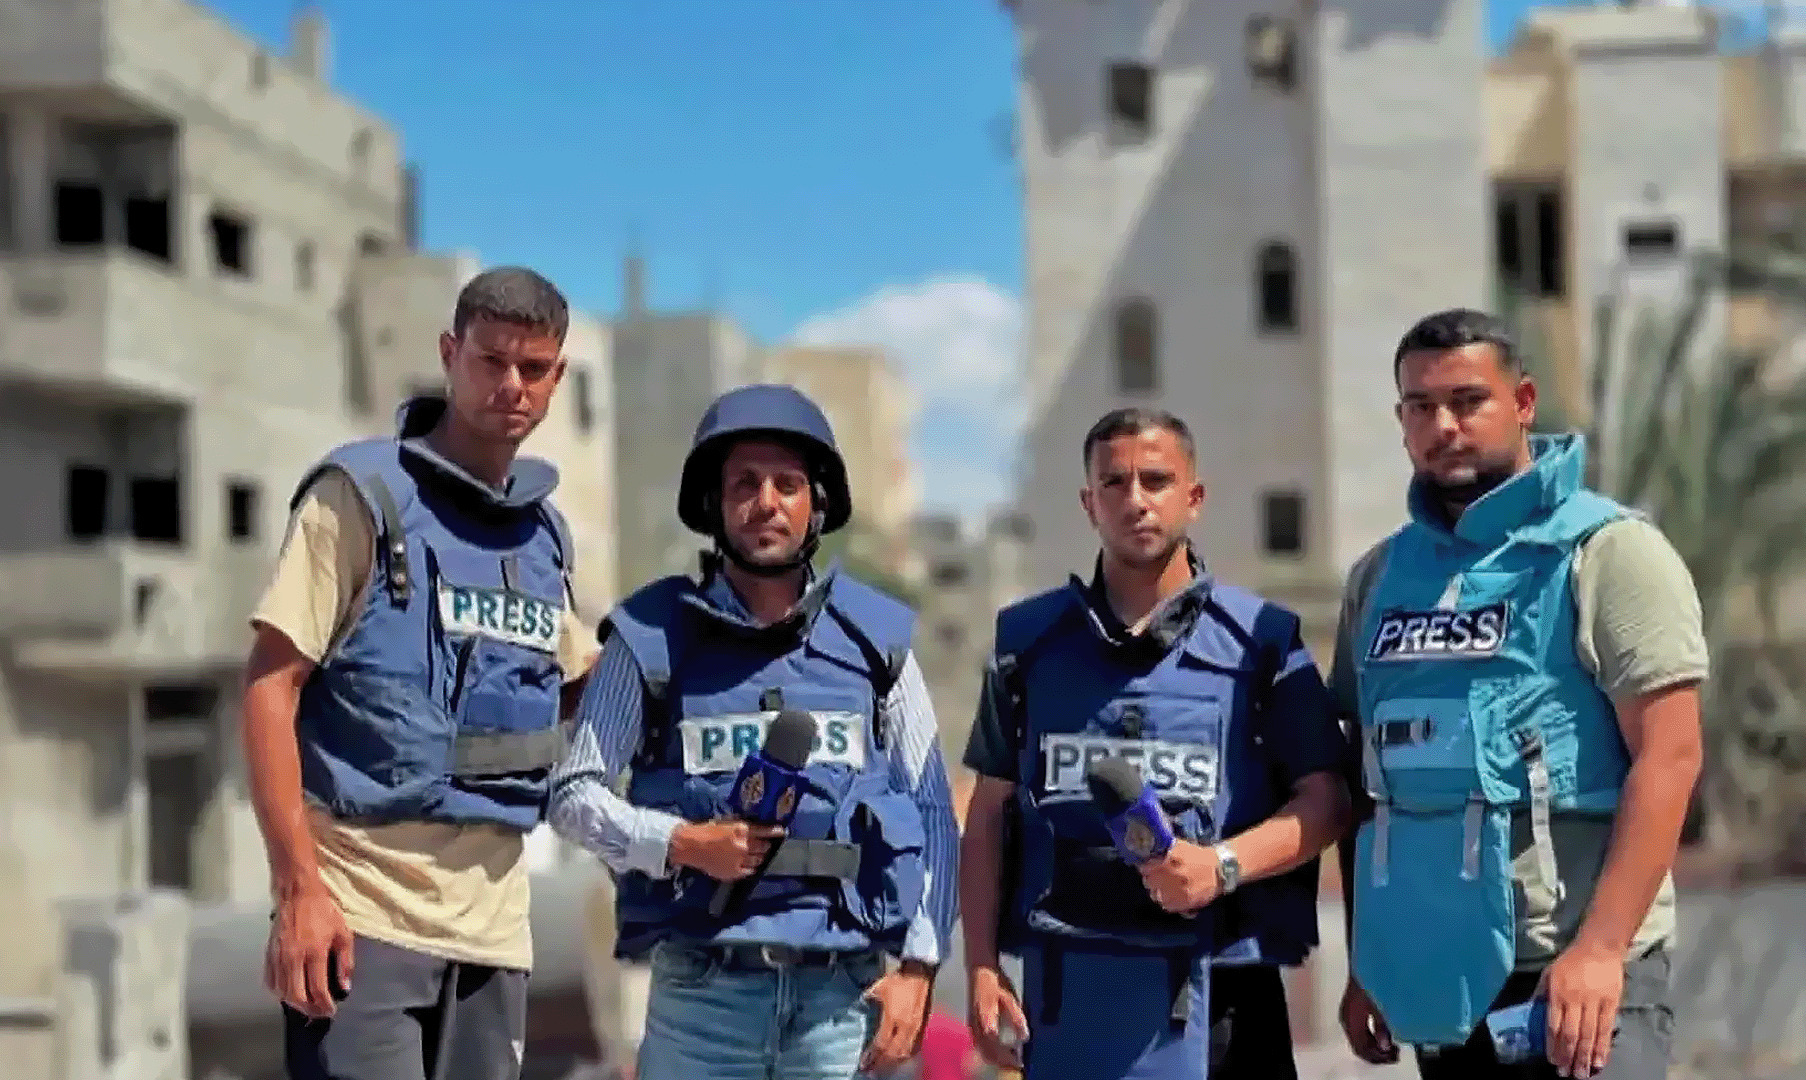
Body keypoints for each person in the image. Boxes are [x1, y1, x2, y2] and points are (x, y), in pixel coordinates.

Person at [241, 266, 600, 1080]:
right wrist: (298, 892)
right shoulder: (358, 496)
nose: (511, 385)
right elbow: (269, 686)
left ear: (557, 378)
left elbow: (581, 684)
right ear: (449, 355)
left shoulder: (541, 536)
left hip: (494, 935)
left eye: (533, 368)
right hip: (362, 917)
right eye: (491, 360)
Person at [546, 382, 962, 1080]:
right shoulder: (650, 636)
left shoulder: (876, 643)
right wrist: (682, 843)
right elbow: (572, 794)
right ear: (713, 504)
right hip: (700, 1003)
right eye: (744, 483)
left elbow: (932, 809)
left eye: (787, 484)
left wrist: (920, 967)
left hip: (839, 1004)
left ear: (815, 504)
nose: (766, 501)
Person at [1333, 308, 1707, 1080]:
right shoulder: (1379, 579)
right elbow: (1364, 782)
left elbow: (1670, 757)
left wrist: (1600, 949)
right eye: (1420, 407)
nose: (1444, 425)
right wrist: (1373, 954)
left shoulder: (1608, 552)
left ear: (1524, 402)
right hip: (1441, 973)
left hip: (1581, 977)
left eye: (1468, 401)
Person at [959, 407, 1351, 1080]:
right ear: (1089, 504)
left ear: (1193, 497)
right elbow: (989, 810)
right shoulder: (1028, 646)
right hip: (1071, 993)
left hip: (1224, 995)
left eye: (1156, 480)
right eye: (1114, 483)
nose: (1135, 499)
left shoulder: (1262, 642)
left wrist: (1221, 865)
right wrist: (980, 964)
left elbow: (1330, 800)